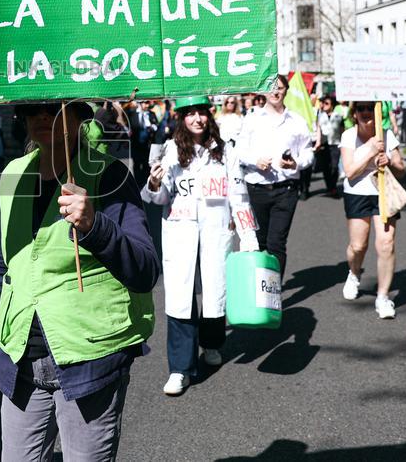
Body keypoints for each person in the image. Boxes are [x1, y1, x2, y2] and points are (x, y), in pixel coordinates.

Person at [0, 102, 160, 462]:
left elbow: (145, 270)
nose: (42, 117)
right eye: (32, 109)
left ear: (78, 118)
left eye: (54, 109)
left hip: (90, 358)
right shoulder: (12, 174)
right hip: (21, 357)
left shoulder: (110, 175)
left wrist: (95, 226)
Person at [141, 96, 258, 396]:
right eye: (190, 114)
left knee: (214, 290)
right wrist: (155, 184)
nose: (197, 119)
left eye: (201, 113)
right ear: (181, 118)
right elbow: (159, 196)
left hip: (215, 229)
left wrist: (248, 236)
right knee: (180, 297)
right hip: (180, 231)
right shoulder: (170, 150)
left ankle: (212, 343)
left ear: (209, 115)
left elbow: (238, 193)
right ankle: (180, 368)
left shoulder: (225, 151)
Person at [237, 75, 314, 277]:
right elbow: (240, 152)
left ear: (286, 90)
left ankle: (273, 292)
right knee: (259, 242)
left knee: (276, 243)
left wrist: (296, 162)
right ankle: (260, 292)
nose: (275, 92)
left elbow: (308, 153)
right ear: (263, 92)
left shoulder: (297, 121)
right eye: (271, 88)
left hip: (286, 189)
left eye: (280, 88)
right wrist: (256, 160)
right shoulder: (252, 118)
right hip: (257, 188)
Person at [339, 102, 406, 319]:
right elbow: (350, 171)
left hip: (383, 193)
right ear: (354, 113)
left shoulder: (386, 135)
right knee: (358, 246)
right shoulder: (349, 136)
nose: (366, 112)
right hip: (357, 194)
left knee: (386, 243)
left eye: (370, 107)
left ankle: (383, 297)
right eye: (361, 108)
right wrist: (370, 150)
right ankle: (354, 272)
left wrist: (390, 162)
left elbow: (402, 169)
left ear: (378, 111)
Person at [314, 95, 344, 197]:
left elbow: (342, 130)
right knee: (326, 167)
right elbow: (318, 129)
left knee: (334, 167)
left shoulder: (338, 116)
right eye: (324, 103)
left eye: (327, 103)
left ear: (332, 105)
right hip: (324, 144)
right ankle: (330, 187)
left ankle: (333, 186)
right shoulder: (320, 115)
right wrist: (318, 142)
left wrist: (343, 143)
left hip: (335, 144)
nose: (324, 105)